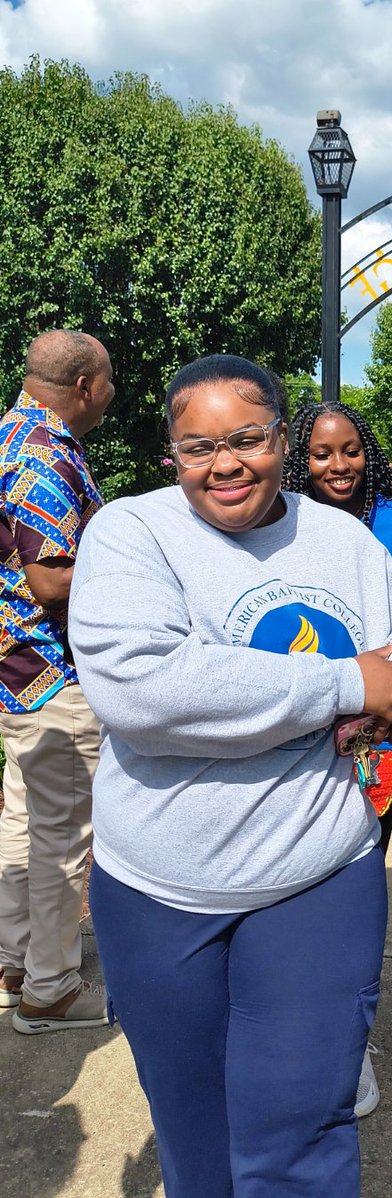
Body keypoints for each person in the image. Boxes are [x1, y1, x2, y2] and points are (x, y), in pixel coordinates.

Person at [69, 355, 392, 1198]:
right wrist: (351, 685)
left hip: (317, 877)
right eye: (196, 446)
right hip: (161, 890)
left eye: (246, 438)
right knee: (196, 1132)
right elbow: (143, 688)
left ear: (284, 436)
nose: (224, 464)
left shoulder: (342, 538)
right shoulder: (133, 531)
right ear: (169, 454)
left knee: (300, 1128)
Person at [283, 398, 392, 1115]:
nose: (338, 466)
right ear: (302, 457)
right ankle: (293, 1035)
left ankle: (346, 1052)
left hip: (379, 750)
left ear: (369, 453)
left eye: (351, 450)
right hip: (292, 744)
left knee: (350, 896)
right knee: (291, 893)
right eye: (322, 453)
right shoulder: (281, 523)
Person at [0, 329, 114, 1033]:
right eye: (110, 379)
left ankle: (16, 959)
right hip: (51, 674)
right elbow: (50, 578)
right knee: (65, 834)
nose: (114, 391)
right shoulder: (44, 454)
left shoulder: (12, 433)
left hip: (16, 674)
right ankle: (50, 991)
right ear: (84, 386)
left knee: (22, 817)